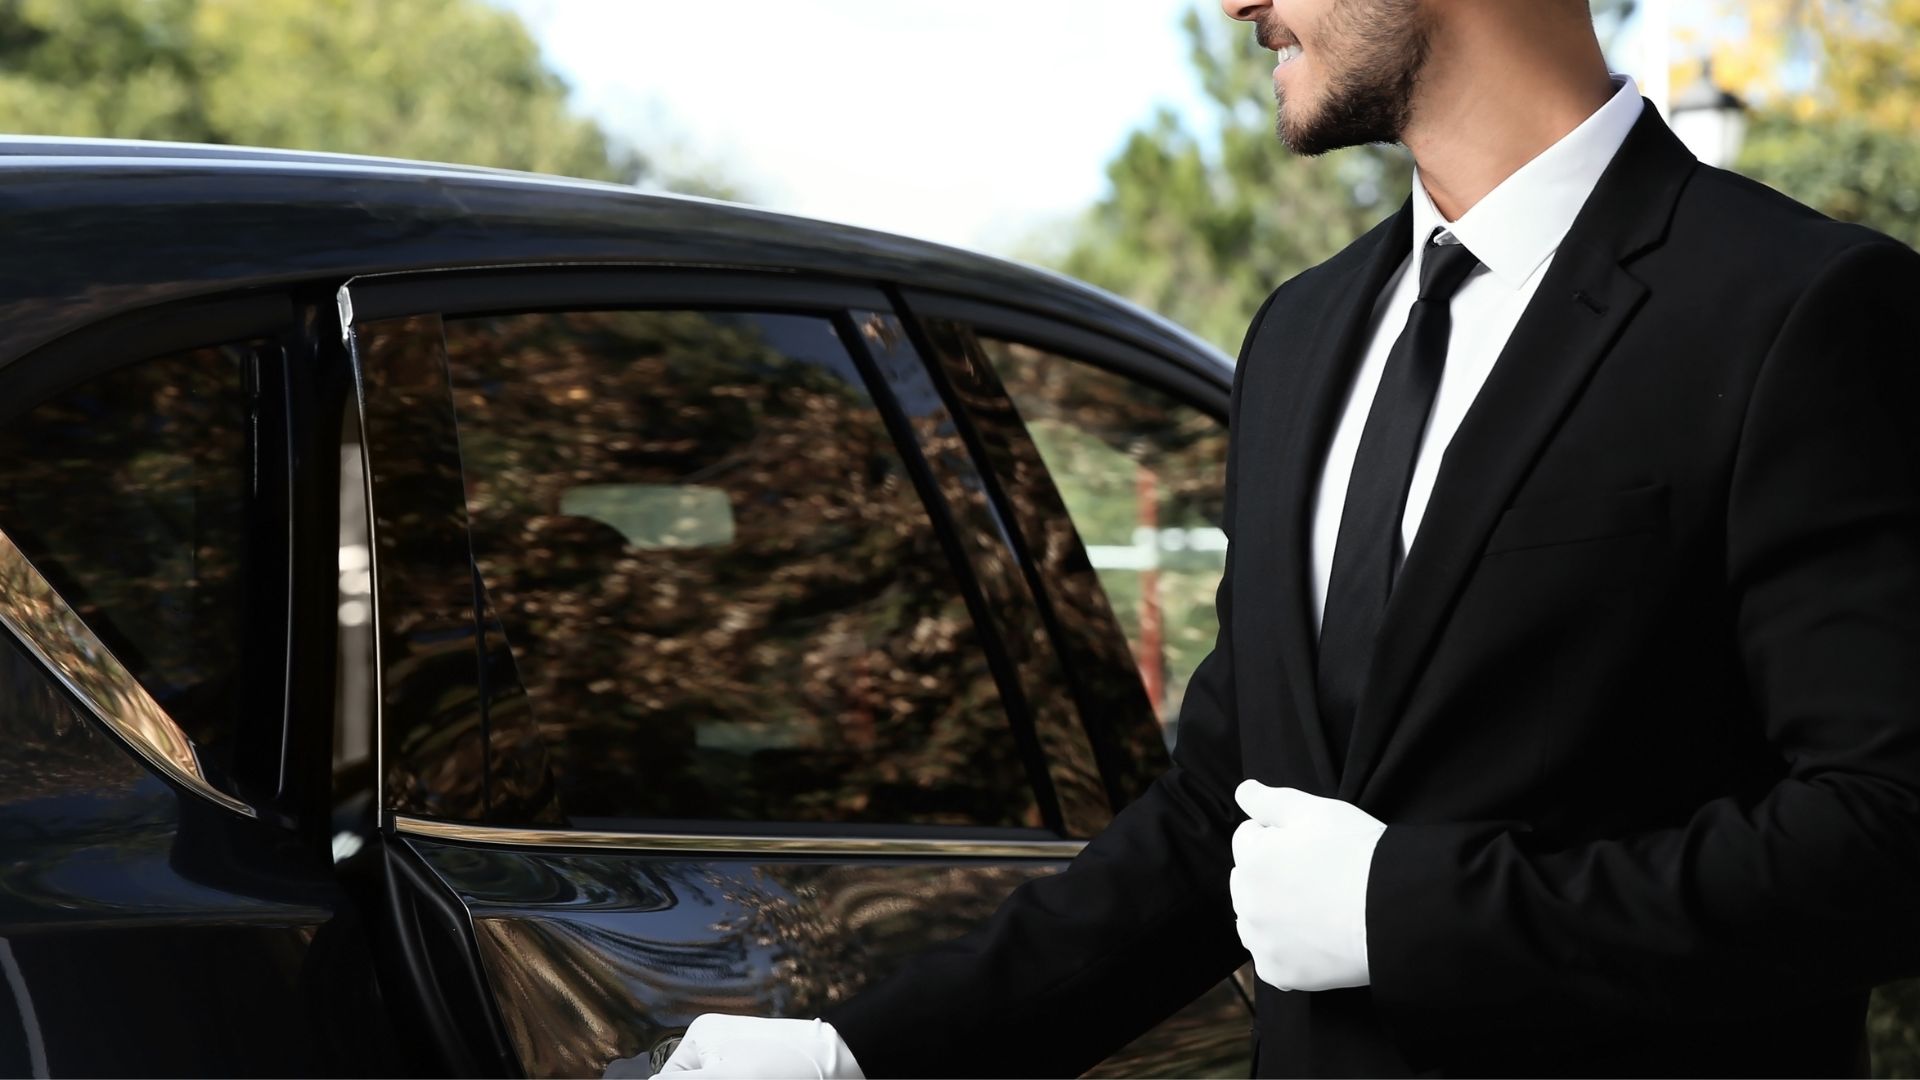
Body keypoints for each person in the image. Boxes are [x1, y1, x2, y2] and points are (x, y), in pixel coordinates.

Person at [652, 0, 1920, 1075]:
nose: (1233, 1)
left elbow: (1883, 832)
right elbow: (1222, 816)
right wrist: (862, 1054)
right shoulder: (1302, 337)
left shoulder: (1802, 309)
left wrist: (1408, 913)